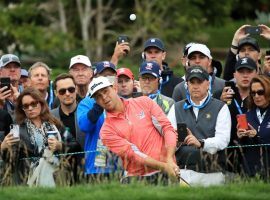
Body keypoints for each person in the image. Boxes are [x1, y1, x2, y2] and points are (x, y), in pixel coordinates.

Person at [88, 76, 179, 184]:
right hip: (137, 179)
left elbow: (167, 128)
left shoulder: (144, 102)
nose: (104, 97)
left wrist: (169, 159)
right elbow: (133, 154)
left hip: (168, 172)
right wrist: (164, 166)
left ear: (114, 88)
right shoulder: (106, 131)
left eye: (105, 91)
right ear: (96, 102)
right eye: (98, 96)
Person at [174, 66, 231, 181]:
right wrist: (177, 142)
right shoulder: (176, 107)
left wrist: (201, 143)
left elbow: (223, 140)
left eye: (199, 82)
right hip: (183, 171)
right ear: (187, 84)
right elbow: (168, 141)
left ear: (207, 84)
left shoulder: (221, 107)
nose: (195, 86)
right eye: (192, 82)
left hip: (211, 172)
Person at [0, 87, 62, 186]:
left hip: (55, 176)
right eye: (26, 106)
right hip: (28, 180)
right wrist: (3, 148)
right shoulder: (17, 129)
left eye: (33, 104)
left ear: (41, 103)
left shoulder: (54, 122)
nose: (30, 108)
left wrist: (60, 145)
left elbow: (74, 145)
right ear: (22, 109)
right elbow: (11, 162)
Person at [77, 61, 118, 180]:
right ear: (94, 79)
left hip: (121, 164)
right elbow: (84, 126)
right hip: (96, 166)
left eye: (110, 76)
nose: (107, 79)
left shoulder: (122, 102)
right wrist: (100, 103)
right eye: (103, 76)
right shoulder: (87, 103)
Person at [220, 57, 258, 172]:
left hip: (254, 151)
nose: (245, 76)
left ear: (256, 73)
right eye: (241, 72)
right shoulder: (223, 94)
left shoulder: (261, 95)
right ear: (234, 75)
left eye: (249, 72)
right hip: (229, 154)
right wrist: (219, 102)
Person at [111, 37, 183, 98]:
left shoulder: (177, 83)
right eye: (149, 52)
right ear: (144, 55)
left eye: (156, 52)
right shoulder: (138, 83)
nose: (153, 55)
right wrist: (115, 57)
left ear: (163, 55)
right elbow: (110, 88)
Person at [51, 73, 85, 184]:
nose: (67, 94)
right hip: (59, 173)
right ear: (56, 93)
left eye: (71, 89)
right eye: (62, 91)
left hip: (86, 171)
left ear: (76, 89)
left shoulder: (87, 112)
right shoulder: (50, 117)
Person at [236, 75, 270, 178]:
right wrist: (240, 138)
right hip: (249, 173)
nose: (256, 96)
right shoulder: (247, 115)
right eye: (253, 93)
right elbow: (240, 151)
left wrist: (257, 137)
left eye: (260, 92)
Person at [139, 61, 176, 129]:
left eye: (151, 78)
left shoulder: (169, 102)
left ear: (159, 80)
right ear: (139, 79)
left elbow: (167, 129)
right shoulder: (132, 102)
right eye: (144, 78)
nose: (147, 81)